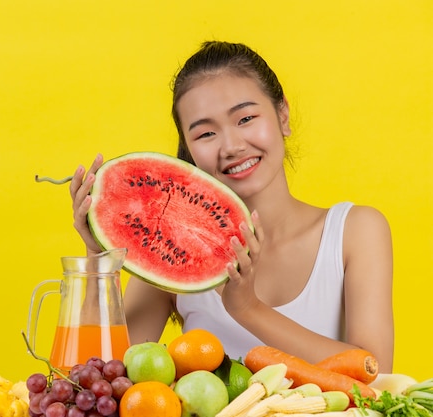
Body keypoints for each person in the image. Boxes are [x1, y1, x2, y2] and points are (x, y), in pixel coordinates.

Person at [68, 41, 394, 372]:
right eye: (206, 134)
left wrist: (247, 307)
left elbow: (377, 376)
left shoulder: (354, 231)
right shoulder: (167, 248)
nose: (232, 146)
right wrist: (99, 263)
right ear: (188, 151)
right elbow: (99, 378)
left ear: (283, 116)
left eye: (246, 118)